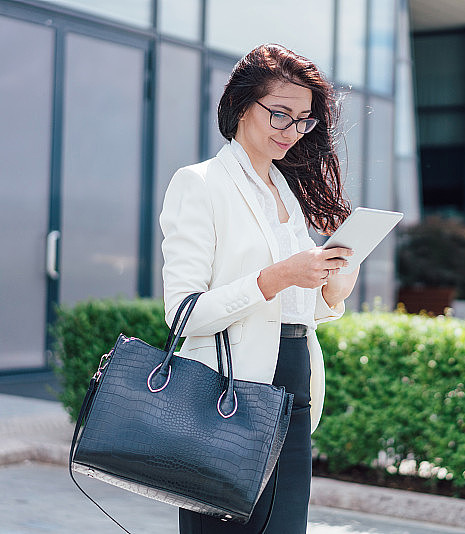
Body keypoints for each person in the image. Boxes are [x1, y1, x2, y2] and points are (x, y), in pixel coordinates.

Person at [159, 43, 359, 534]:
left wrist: (331, 288)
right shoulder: (200, 183)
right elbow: (183, 315)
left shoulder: (285, 192)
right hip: (226, 395)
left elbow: (298, 308)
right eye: (279, 114)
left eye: (304, 120)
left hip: (293, 390)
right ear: (242, 105)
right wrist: (277, 277)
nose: (292, 131)